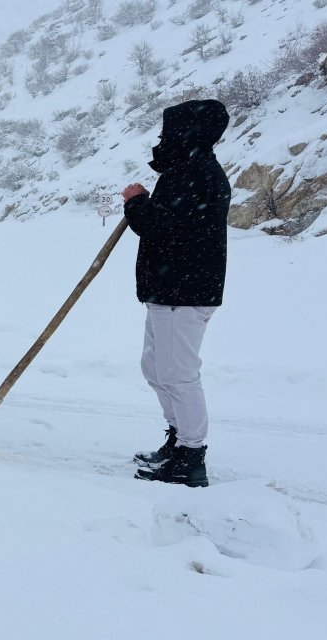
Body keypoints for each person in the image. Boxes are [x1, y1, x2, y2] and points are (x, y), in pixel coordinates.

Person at [121, 99, 231, 488]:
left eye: (168, 133)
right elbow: (170, 225)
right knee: (155, 369)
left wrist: (135, 201)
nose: (162, 140)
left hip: (184, 291)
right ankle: (177, 440)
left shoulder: (194, 173)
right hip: (170, 288)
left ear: (188, 134)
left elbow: (157, 226)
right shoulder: (187, 170)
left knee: (177, 373)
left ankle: (191, 457)